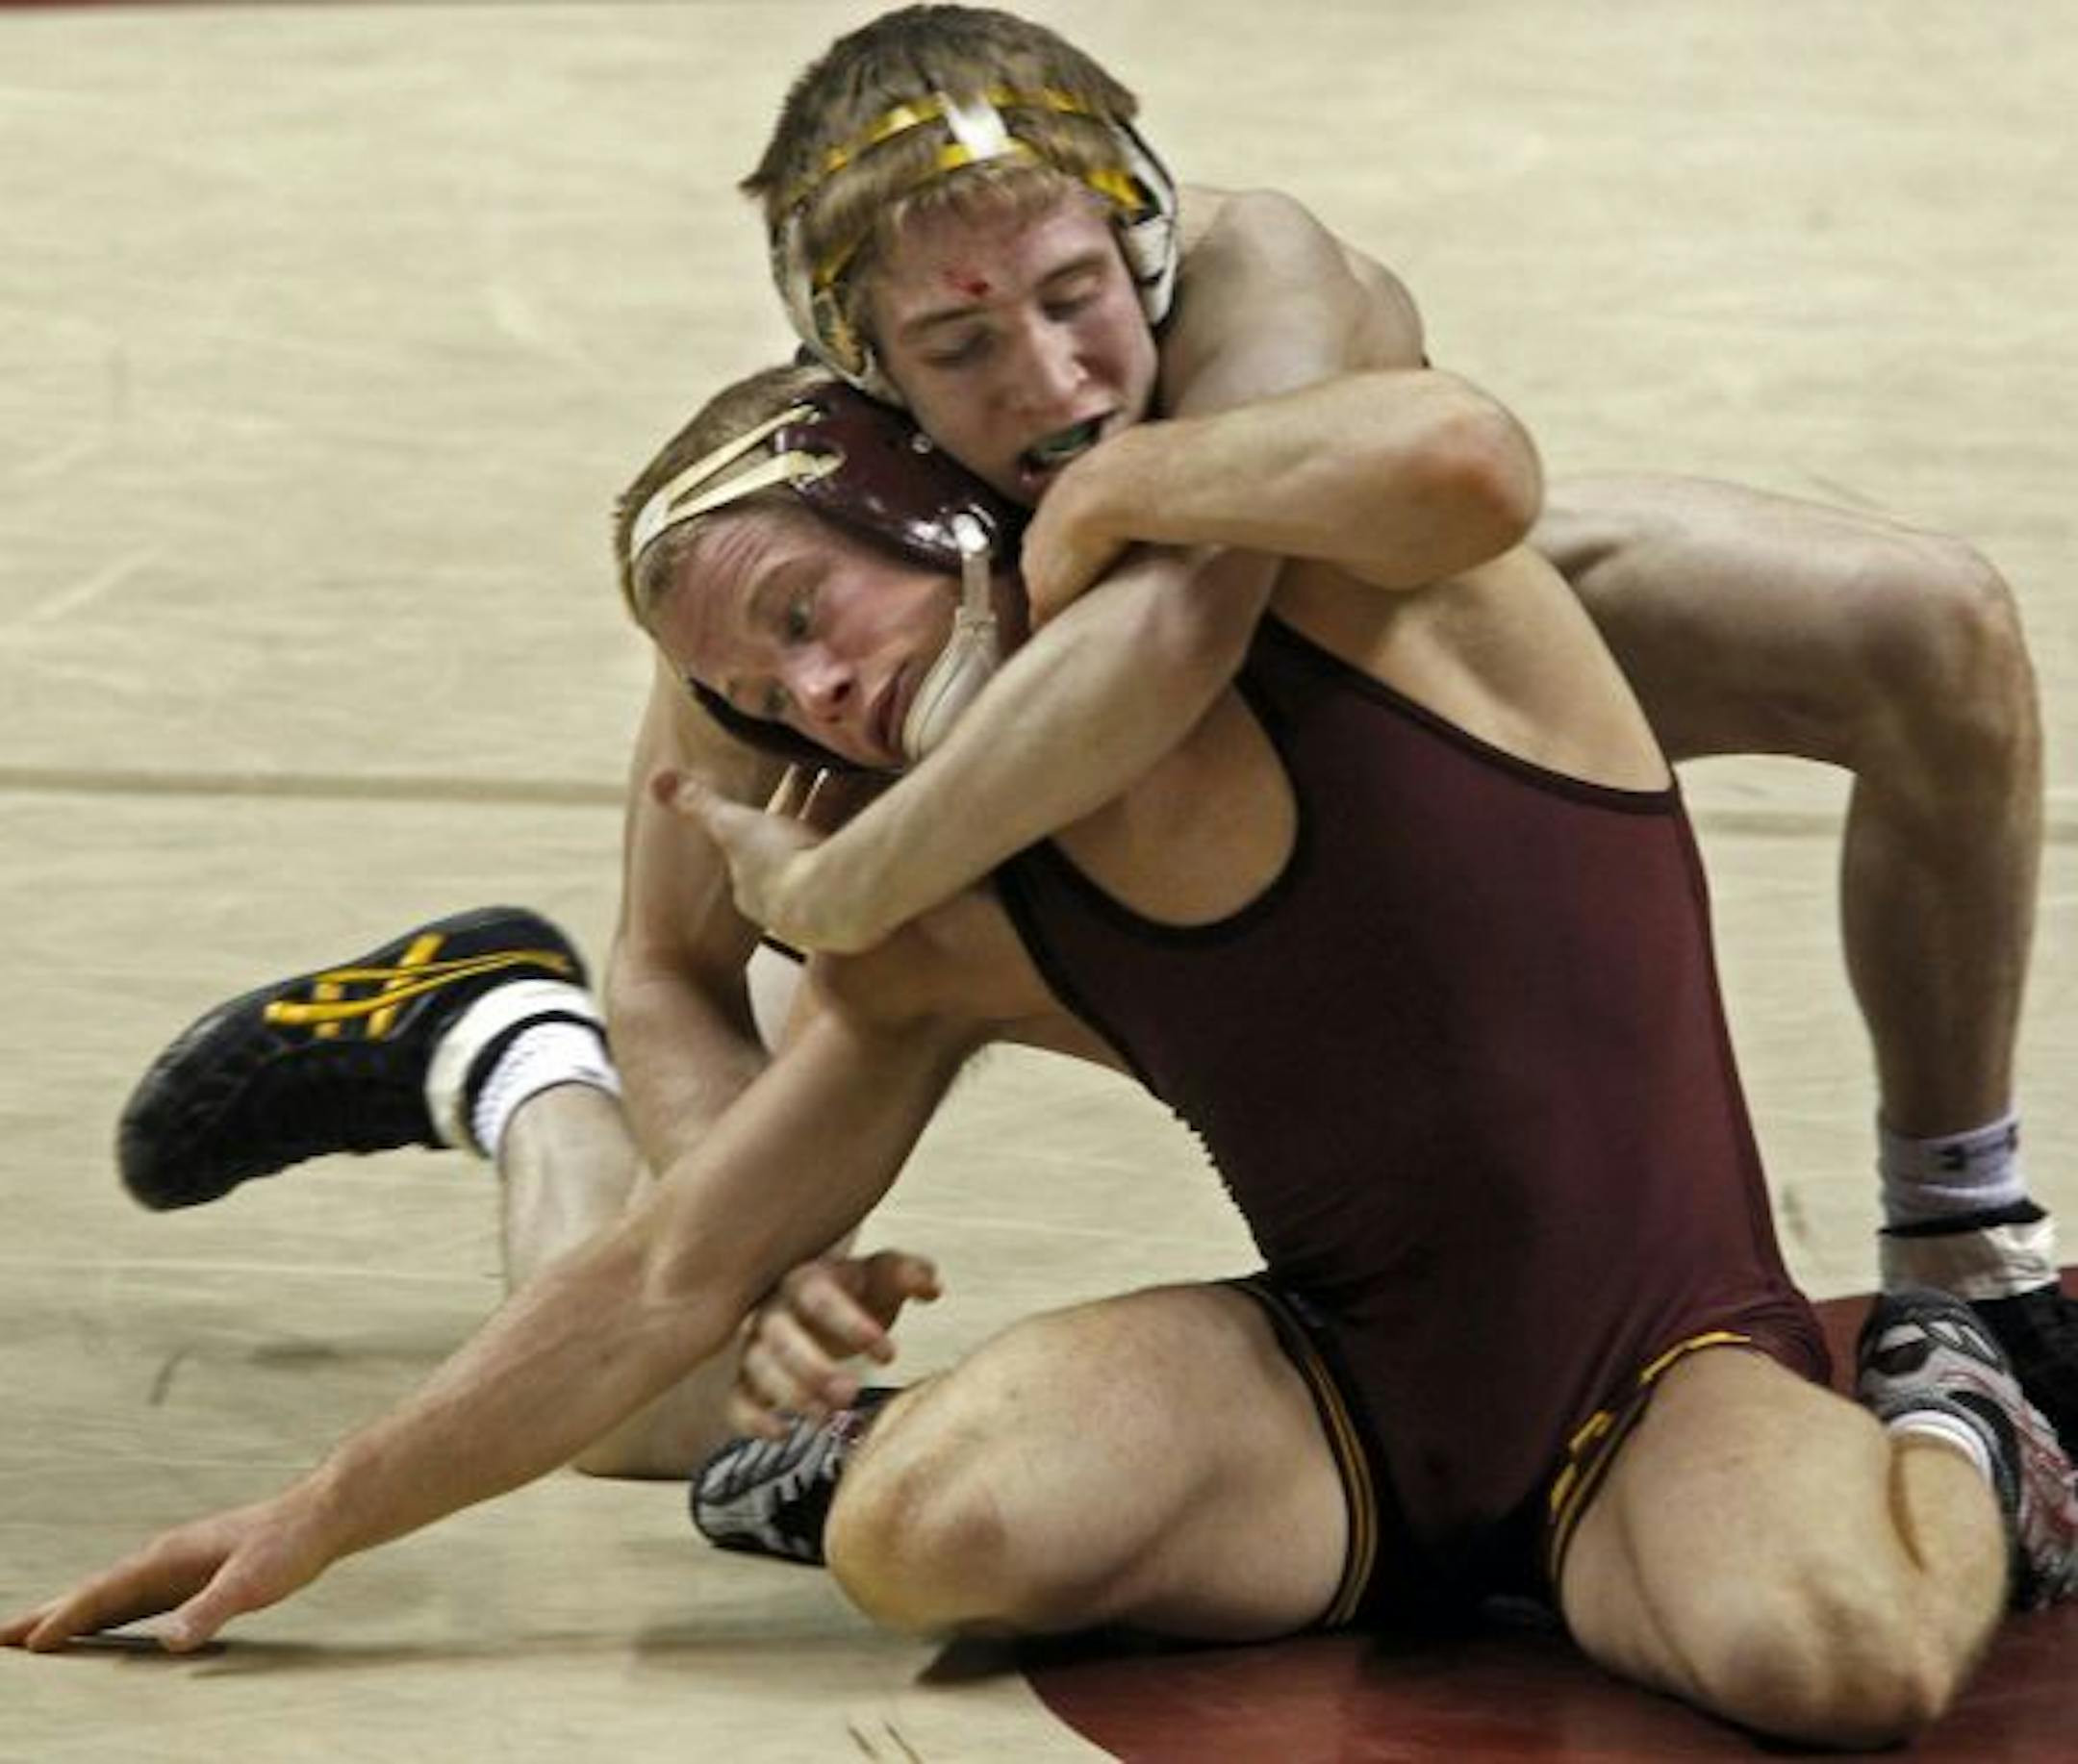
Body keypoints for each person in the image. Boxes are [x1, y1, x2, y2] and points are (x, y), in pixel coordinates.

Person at [11, 363, 2074, 1755]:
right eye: (774, 684)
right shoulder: (929, 901)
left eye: (820, 607)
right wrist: (316, 1512)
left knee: (1849, 1653)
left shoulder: (1331, 592)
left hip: (1652, 1363)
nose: (826, 687)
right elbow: (667, 1254)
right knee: (921, 1520)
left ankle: (1958, 1380)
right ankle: (534, 1075)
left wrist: (1112, 467)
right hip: (1347, 1400)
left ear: (937, 496)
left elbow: (1437, 431)